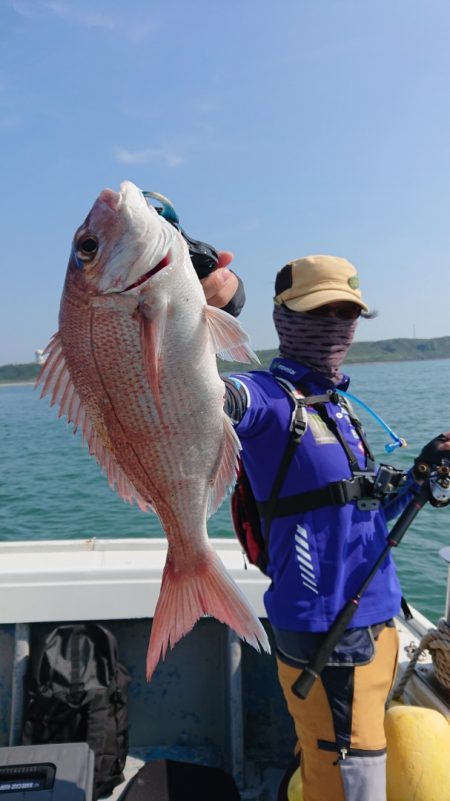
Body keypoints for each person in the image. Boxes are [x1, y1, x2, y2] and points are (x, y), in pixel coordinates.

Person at [154, 196, 450, 801]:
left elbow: (357, 513)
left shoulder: (338, 405)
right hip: (327, 633)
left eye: (347, 314)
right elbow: (198, 395)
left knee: (331, 766)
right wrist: (190, 298)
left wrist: (416, 480)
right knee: (350, 783)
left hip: (379, 621)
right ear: (283, 317)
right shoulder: (264, 399)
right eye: (320, 313)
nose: (336, 327)